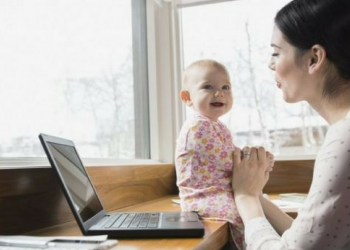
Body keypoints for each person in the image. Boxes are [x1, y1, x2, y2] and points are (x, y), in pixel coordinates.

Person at [232, 0, 350, 249]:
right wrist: (255, 196)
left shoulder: (344, 139)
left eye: (276, 52)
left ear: (314, 58)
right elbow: (315, 236)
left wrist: (244, 197)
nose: (270, 64)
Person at [175, 59, 273, 250]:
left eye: (226, 87)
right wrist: (254, 162)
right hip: (203, 196)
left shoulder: (216, 125)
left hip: (219, 190)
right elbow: (229, 161)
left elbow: (232, 153)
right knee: (238, 214)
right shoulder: (198, 126)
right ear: (187, 97)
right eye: (208, 87)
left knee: (258, 205)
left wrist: (256, 161)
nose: (219, 93)